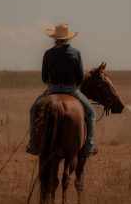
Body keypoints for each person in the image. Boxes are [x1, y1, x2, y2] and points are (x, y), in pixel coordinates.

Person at [26, 23, 97, 157]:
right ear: (68, 38)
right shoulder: (76, 53)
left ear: (55, 38)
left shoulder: (48, 53)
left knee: (33, 110)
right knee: (91, 114)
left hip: (51, 90)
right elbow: (81, 77)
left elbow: (43, 77)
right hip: (71, 90)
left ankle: (33, 144)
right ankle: (89, 145)